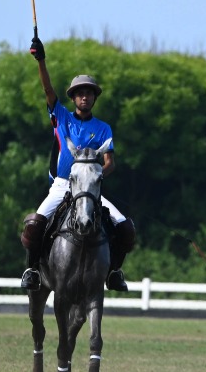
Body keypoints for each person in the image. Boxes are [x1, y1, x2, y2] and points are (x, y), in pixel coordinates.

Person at [19, 36, 135, 292]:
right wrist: (41, 60)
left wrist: (95, 178)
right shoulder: (61, 117)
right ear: (73, 98)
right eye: (80, 93)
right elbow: (48, 89)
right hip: (61, 186)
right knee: (34, 224)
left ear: (94, 98)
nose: (85, 97)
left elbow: (110, 163)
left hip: (91, 190)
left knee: (126, 228)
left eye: (89, 93)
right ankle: (33, 270)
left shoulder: (103, 129)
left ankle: (113, 272)